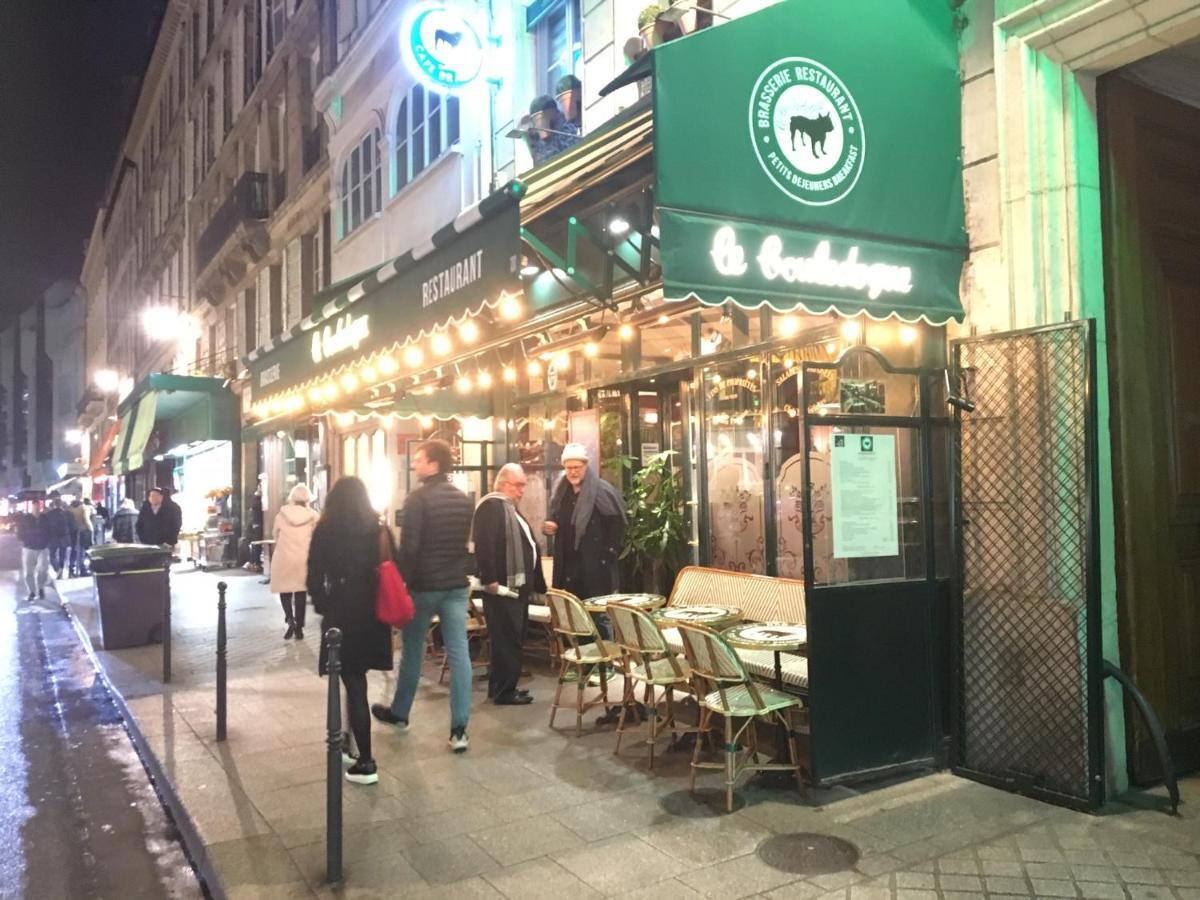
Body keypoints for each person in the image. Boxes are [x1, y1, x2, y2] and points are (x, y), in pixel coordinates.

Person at [371, 439, 474, 752]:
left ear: (434, 464)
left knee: (413, 650)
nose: (414, 464)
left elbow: (410, 548)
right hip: (457, 585)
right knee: (459, 653)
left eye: (419, 459)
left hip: (424, 587)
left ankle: (400, 712)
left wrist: (403, 582)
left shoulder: (417, 499)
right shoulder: (463, 499)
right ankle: (459, 729)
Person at [307, 476, 394, 785]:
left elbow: (314, 575)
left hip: (343, 611)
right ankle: (347, 741)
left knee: (353, 683)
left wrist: (323, 605)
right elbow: (393, 565)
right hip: (374, 612)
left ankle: (367, 761)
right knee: (354, 681)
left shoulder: (327, 529)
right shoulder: (378, 527)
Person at [472, 463, 546, 705]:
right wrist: (490, 579)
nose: (522, 490)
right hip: (503, 588)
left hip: (517, 588)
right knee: (507, 640)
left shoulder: (508, 508)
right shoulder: (491, 507)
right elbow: (485, 546)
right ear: (504, 483)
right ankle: (505, 691)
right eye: (518, 485)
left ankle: (502, 685)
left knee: (513, 638)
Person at [544, 443, 627, 614]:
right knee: (570, 616)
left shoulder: (602, 491)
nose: (573, 472)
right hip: (567, 566)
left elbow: (616, 525)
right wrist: (550, 525)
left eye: (577, 467)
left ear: (586, 466)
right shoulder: (561, 492)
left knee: (596, 616)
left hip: (594, 566)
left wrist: (607, 555)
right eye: (568, 468)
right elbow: (555, 517)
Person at [271, 484, 318, 641]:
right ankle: (299, 627)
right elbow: (317, 538)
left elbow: (275, 534)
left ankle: (290, 619)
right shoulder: (313, 516)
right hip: (302, 557)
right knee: (300, 592)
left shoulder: (281, 514)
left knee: (285, 590)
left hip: (284, 556)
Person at [17, 508, 50, 601]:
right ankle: (32, 591)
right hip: (29, 547)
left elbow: (50, 530)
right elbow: (19, 532)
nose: (36, 510)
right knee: (28, 572)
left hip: (42, 547)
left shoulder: (45, 519)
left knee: (43, 569)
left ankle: (41, 588)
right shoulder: (26, 519)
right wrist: (25, 540)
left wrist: (47, 541)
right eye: (34, 507)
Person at [44, 498, 74, 578]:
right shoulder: (67, 514)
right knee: (62, 555)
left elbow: (45, 527)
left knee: (52, 555)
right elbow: (72, 526)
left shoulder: (49, 514)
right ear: (61, 504)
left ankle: (57, 569)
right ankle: (60, 568)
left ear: (54, 504)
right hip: (64, 537)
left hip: (53, 538)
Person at [68, 499, 93, 577]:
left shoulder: (69, 509)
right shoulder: (83, 508)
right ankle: (82, 569)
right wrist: (91, 529)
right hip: (82, 531)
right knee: (81, 550)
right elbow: (86, 520)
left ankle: (71, 570)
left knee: (73, 551)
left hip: (72, 531)